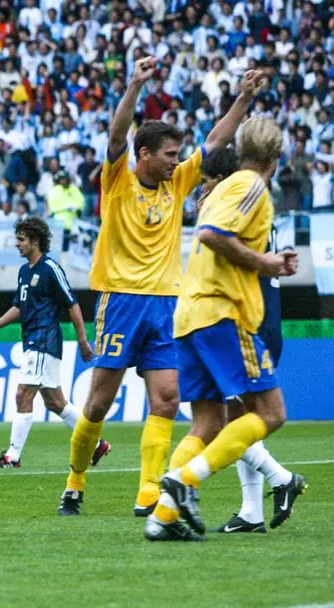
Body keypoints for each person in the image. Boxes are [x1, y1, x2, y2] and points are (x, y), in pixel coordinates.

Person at [58, 60, 261, 517]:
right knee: (98, 402)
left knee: (167, 399)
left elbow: (216, 142)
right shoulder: (118, 182)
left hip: (167, 304)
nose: (177, 161)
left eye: (178, 155)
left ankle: (148, 492)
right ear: (144, 154)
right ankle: (74, 481)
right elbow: (115, 139)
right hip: (121, 300)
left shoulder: (179, 182)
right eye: (169, 154)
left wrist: (243, 98)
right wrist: (135, 84)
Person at [145, 116, 301, 541]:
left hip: (190, 314)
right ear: (275, 155)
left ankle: (162, 517)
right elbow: (213, 235)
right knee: (270, 413)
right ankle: (186, 481)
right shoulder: (250, 186)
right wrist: (268, 262)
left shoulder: (217, 191)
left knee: (208, 423)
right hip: (221, 314)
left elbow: (210, 230)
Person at [186, 147, 306, 535]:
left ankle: (279, 479)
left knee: (231, 419)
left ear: (220, 180)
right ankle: (254, 508)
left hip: (249, 321)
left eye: (205, 181)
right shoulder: (247, 202)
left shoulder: (235, 205)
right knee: (237, 417)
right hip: (253, 319)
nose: (201, 189)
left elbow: (224, 251)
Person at [0, 217, 108, 468]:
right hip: (32, 340)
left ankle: (12, 456)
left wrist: (82, 340)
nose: (16, 244)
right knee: (55, 402)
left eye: (21, 239)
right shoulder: (25, 271)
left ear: (35, 241)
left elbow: (73, 304)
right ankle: (96, 444)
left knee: (23, 393)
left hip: (44, 339)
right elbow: (19, 307)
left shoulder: (50, 268)